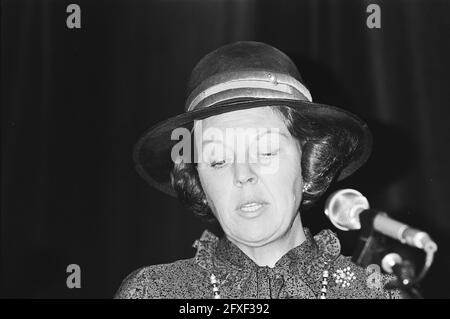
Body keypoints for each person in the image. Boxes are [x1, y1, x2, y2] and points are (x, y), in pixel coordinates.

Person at [115, 41, 400, 299]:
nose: (242, 174)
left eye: (265, 151)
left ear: (309, 161)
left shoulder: (376, 293)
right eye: (218, 160)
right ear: (198, 182)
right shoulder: (150, 292)